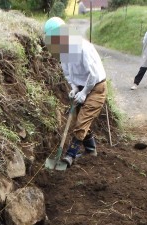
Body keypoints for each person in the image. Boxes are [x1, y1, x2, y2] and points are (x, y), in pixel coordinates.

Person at [43, 17, 107, 167]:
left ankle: (70, 155)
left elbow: (93, 74)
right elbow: (68, 74)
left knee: (81, 122)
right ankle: (91, 150)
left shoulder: (83, 47)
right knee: (82, 121)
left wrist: (84, 92)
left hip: (97, 88)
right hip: (81, 87)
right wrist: (74, 88)